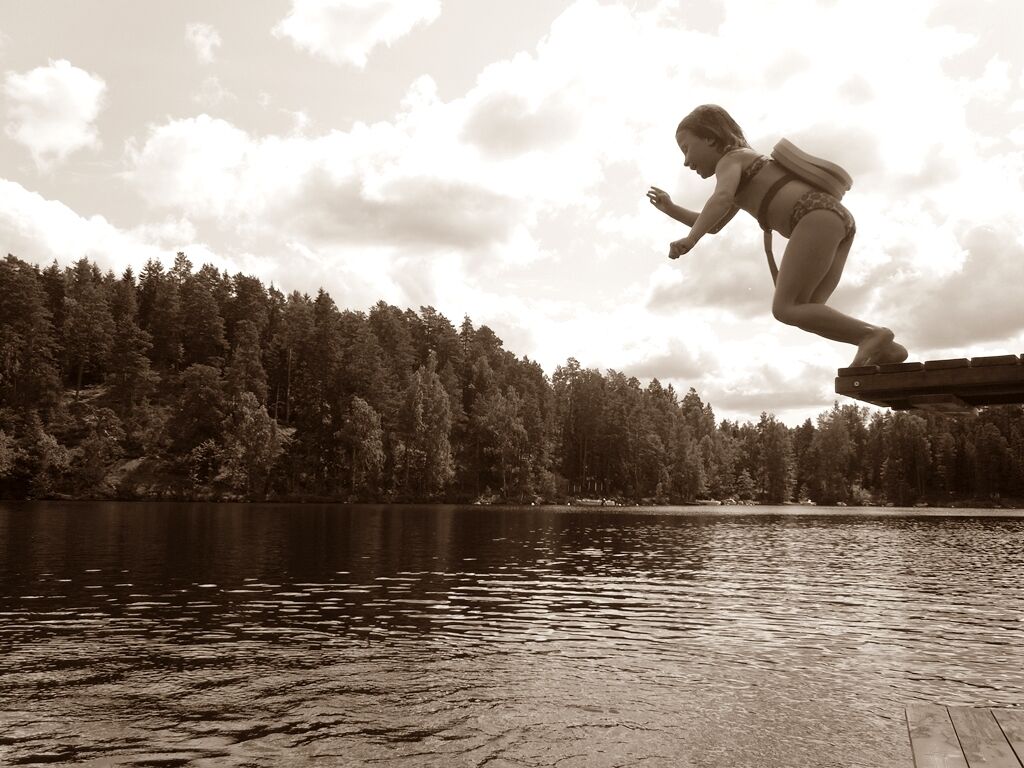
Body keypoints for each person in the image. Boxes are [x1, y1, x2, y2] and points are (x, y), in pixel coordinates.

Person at [647, 104, 906, 367]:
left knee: (786, 308)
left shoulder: (731, 160)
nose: (686, 161)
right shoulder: (744, 168)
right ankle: (888, 350)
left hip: (812, 215)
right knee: (807, 309)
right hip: (836, 219)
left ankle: (872, 334)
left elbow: (720, 199)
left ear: (711, 139)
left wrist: (691, 239)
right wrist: (671, 209)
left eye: (686, 149)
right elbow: (712, 223)